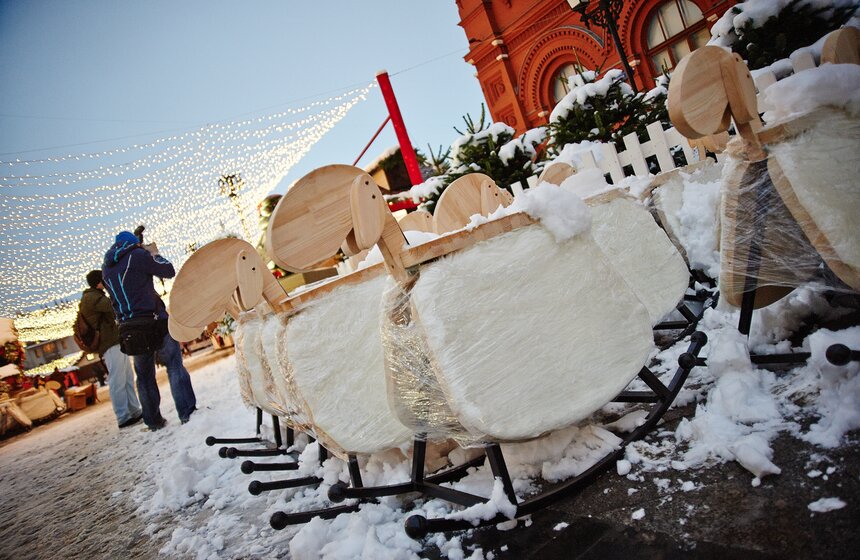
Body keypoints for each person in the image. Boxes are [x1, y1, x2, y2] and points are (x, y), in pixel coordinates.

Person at [101, 231, 197, 430]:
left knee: (144, 377)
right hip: (155, 321)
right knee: (174, 365)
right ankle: (187, 413)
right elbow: (168, 270)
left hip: (130, 328)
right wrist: (154, 253)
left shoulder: (106, 268)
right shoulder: (137, 256)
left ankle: (153, 421)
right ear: (134, 244)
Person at [80, 269, 143, 428]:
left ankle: (134, 410)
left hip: (116, 340)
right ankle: (122, 415)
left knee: (127, 377)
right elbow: (112, 305)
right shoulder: (90, 297)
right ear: (98, 282)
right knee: (117, 379)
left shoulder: (96, 295)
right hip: (108, 343)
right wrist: (112, 287)